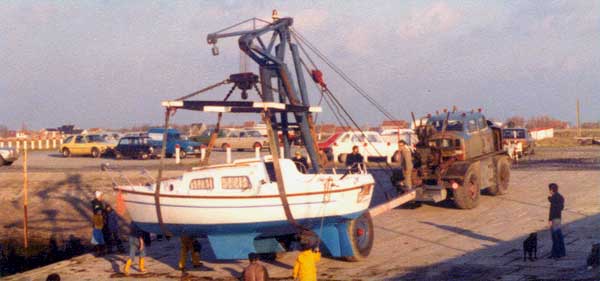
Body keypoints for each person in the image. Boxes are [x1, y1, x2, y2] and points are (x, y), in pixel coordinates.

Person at [548, 183, 565, 259]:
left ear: (551, 190)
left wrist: (550, 220)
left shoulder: (553, 198)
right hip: (559, 218)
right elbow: (561, 208)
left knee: (555, 237)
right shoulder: (561, 197)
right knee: (559, 236)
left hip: (554, 218)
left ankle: (556, 253)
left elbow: (552, 210)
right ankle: (562, 252)